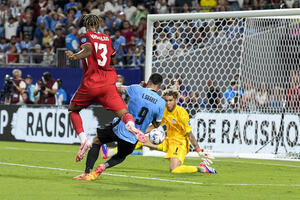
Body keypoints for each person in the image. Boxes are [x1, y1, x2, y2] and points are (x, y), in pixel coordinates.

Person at [65, 14, 146, 163]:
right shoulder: (107, 38)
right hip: (108, 82)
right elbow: (113, 56)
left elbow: (88, 50)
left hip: (91, 83)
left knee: (73, 110)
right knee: (124, 114)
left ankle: (84, 140)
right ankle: (130, 125)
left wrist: (76, 56)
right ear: (98, 25)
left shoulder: (85, 36)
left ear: (86, 25)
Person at [72, 73, 165, 181]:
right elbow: (156, 124)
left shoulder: (136, 89)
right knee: (121, 156)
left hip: (121, 127)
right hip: (133, 137)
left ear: (148, 81)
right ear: (160, 87)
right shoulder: (161, 103)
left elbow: (118, 89)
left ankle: (87, 173)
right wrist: (143, 131)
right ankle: (103, 166)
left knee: (97, 141)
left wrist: (140, 87)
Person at [138, 89, 217, 174]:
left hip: (180, 144)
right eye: (166, 100)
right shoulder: (164, 111)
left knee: (174, 169)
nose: (168, 103)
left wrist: (199, 151)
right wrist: (139, 132)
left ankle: (201, 168)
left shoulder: (181, 113)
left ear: (176, 100)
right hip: (169, 141)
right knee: (139, 139)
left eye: (170, 100)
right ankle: (121, 154)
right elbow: (155, 125)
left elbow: (189, 134)